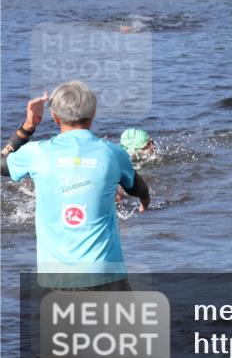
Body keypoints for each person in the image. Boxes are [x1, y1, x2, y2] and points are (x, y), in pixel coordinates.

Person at [2, 81, 151, 289]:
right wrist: (145, 203)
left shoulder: (36, 153)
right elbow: (140, 189)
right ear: (94, 113)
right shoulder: (113, 153)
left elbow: (2, 163)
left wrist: (28, 126)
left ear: (55, 117)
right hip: (105, 276)